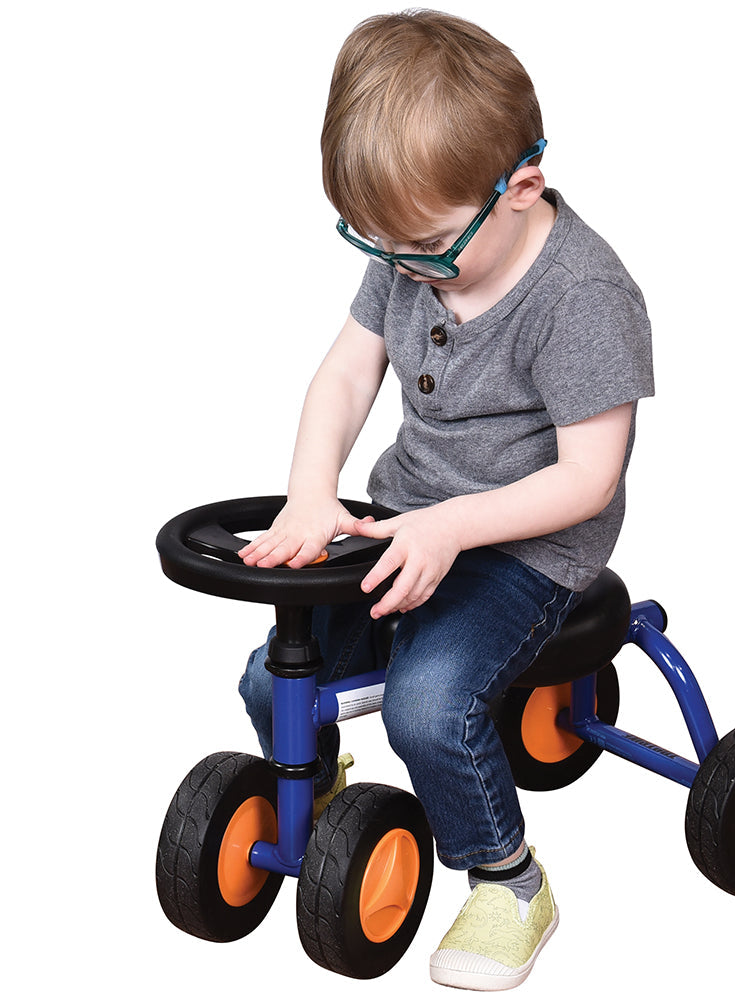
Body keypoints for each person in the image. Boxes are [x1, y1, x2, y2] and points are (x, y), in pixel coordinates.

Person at [237, 10, 654, 991]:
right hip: (404, 519)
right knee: (273, 682)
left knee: (428, 705)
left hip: (525, 546)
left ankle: (509, 879)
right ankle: (323, 796)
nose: (402, 267)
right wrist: (309, 495)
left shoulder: (583, 297)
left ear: (519, 188)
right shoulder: (409, 251)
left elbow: (588, 478)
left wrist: (450, 525)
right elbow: (343, 377)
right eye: (379, 243)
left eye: (422, 246)